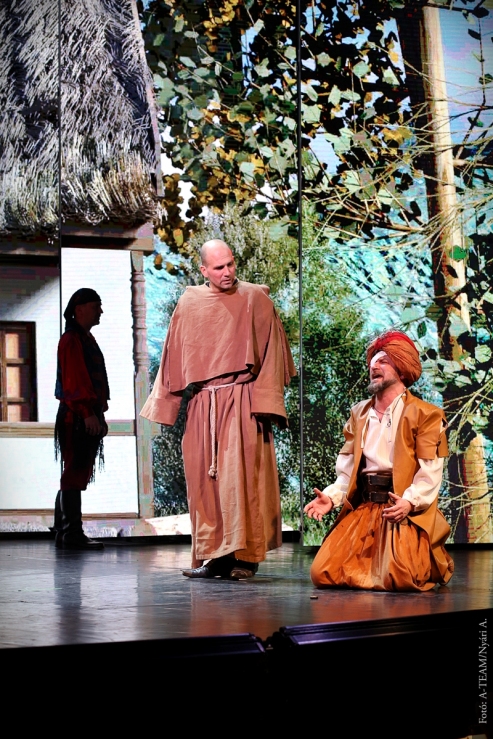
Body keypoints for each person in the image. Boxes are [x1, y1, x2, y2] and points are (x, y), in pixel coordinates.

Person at [141, 239, 296, 579]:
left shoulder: (255, 298)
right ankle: (215, 556)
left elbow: (272, 355)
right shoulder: (190, 302)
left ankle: (245, 558)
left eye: (230, 264)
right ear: (203, 271)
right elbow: (172, 355)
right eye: (218, 267)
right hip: (203, 404)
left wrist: (265, 402)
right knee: (204, 482)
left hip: (242, 401)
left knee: (241, 480)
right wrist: (167, 405)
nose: (227, 272)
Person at [305, 330, 454, 592]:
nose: (374, 366)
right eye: (373, 362)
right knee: (323, 573)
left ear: (403, 369)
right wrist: (332, 496)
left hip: (400, 508)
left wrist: (410, 501)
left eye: (383, 361)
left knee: (399, 576)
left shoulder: (426, 414)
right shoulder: (359, 413)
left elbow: (429, 472)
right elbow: (348, 470)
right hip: (365, 508)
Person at [53, 288, 109, 550]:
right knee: (74, 473)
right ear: (80, 309)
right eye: (96, 306)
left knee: (75, 472)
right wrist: (87, 413)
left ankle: (64, 531)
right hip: (75, 416)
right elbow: (73, 381)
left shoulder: (86, 339)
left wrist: (99, 413)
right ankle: (71, 533)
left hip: (84, 414)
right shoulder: (71, 340)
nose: (100, 311)